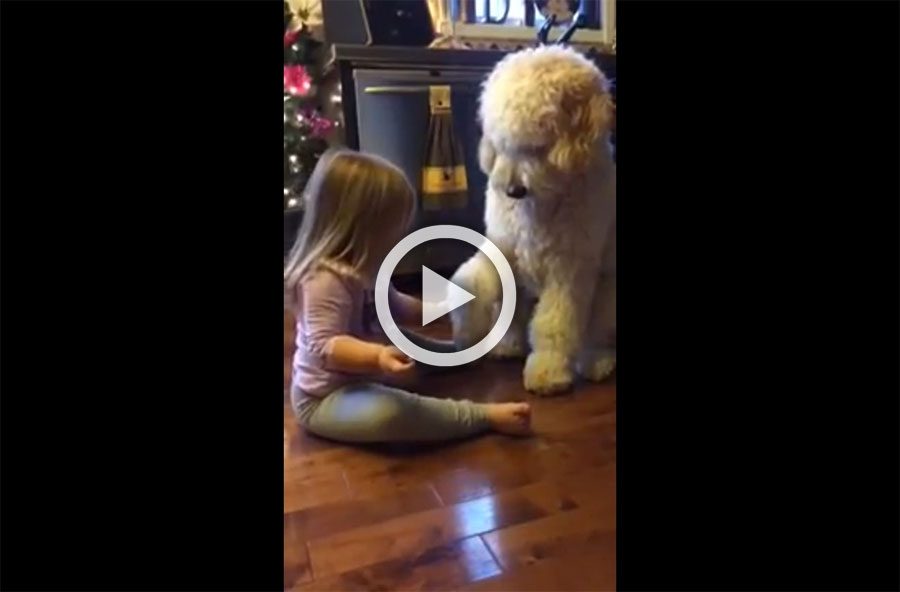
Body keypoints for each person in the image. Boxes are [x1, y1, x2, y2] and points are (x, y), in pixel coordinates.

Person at [284, 149, 531, 443]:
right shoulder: (323, 280)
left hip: (371, 367)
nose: (400, 234)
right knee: (390, 414)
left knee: (403, 339)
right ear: (362, 227)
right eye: (393, 226)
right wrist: (377, 357)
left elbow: (398, 308)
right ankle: (479, 416)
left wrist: (446, 305)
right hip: (327, 396)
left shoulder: (366, 268)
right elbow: (327, 346)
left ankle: (458, 355)